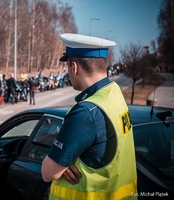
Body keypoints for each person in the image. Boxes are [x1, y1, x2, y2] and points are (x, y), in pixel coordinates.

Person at [41, 34, 137, 199]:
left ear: (74, 67)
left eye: (67, 68)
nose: (68, 74)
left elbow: (48, 173)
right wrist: (67, 158)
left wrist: (62, 156)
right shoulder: (113, 92)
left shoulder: (86, 112)